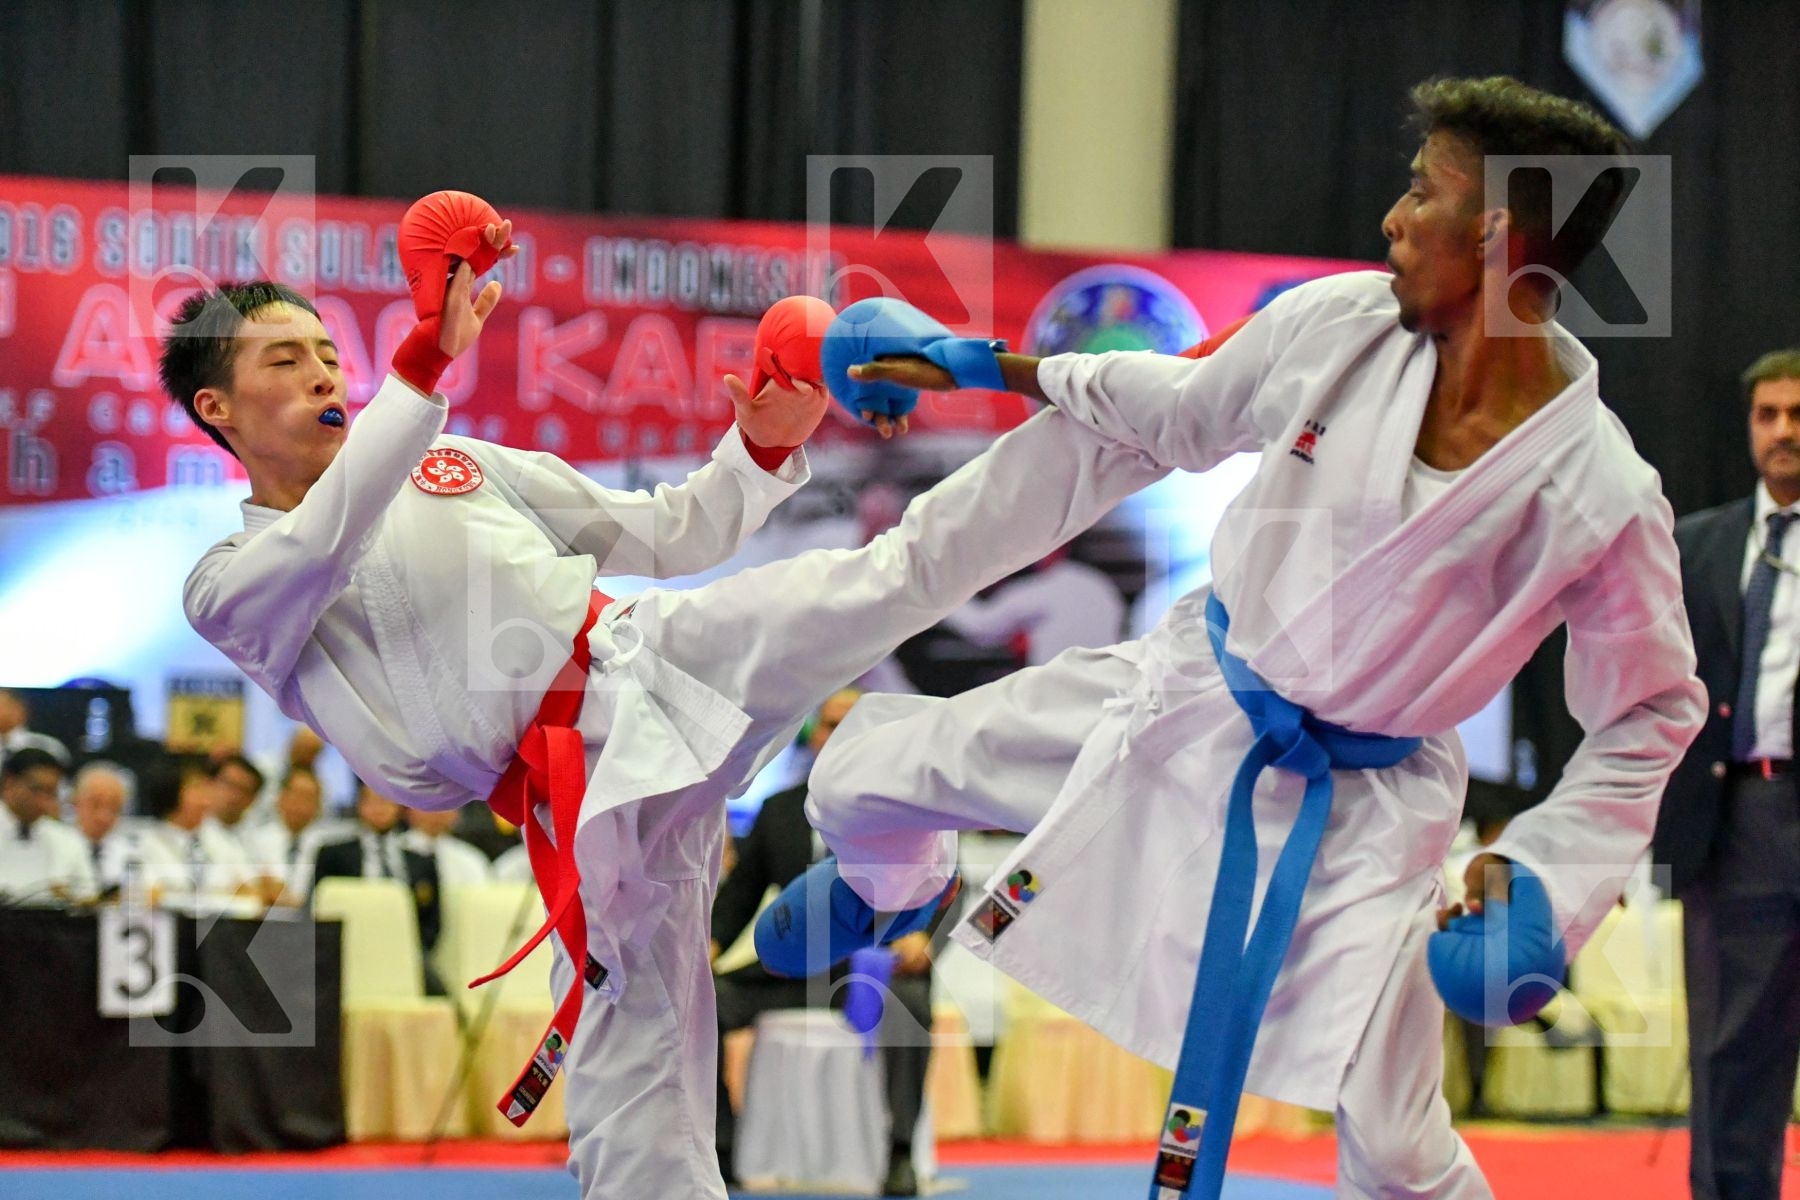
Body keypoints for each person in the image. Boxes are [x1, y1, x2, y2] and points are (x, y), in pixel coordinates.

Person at [782, 77, 1705, 1199]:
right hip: (1184, 703)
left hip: (1364, 811)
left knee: (1400, 1143)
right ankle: (894, 880)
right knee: (854, 774)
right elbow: (1176, 404)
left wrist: (1548, 881)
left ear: (1500, 235)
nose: (1393, 220)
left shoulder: (1599, 492)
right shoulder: (1342, 323)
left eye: (1423, 192)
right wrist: (985, 363)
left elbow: (1650, 710)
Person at [163, 203, 1158, 1199]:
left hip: (646, 666)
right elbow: (327, 538)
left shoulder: (453, 464)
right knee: (635, 1115)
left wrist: (757, 449)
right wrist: (420, 368)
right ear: (219, 409)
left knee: (893, 577)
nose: (324, 370)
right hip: (580, 815)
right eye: (284, 359)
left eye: (328, 349)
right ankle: (895, 839)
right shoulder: (230, 582)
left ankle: (1138, 422)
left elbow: (668, 533)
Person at [1654, 348, 1800, 1200]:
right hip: (1736, 818)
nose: (1784, 431)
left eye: (1798, 414)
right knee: (1732, 1058)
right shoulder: (1696, 546)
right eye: (1768, 414)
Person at [710, 688, 933, 1196]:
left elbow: (943, 890)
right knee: (705, 1001)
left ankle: (899, 1152)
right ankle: (720, 1147)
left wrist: (923, 937)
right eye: (831, 725)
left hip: (868, 977)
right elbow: (740, 897)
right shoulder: (778, 811)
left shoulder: (906, 813)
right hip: (787, 975)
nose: (839, 737)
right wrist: (710, 945)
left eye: (852, 726)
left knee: (913, 1002)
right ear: (812, 738)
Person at [313, 782, 445, 990]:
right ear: (359, 805)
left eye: (387, 801)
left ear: (401, 807)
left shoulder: (421, 861)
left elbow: (433, 922)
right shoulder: (334, 855)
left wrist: (405, 948)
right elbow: (318, 909)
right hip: (347, 950)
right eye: (372, 801)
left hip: (405, 953)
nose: (379, 808)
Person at [0, 747, 93, 903]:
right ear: (9, 783)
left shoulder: (68, 840)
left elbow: (88, 899)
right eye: (36, 790)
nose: (43, 801)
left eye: (51, 793)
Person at [69, 761, 131, 891]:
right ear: (75, 801)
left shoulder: (131, 855)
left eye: (114, 807)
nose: (103, 816)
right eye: (95, 804)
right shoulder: (57, 846)